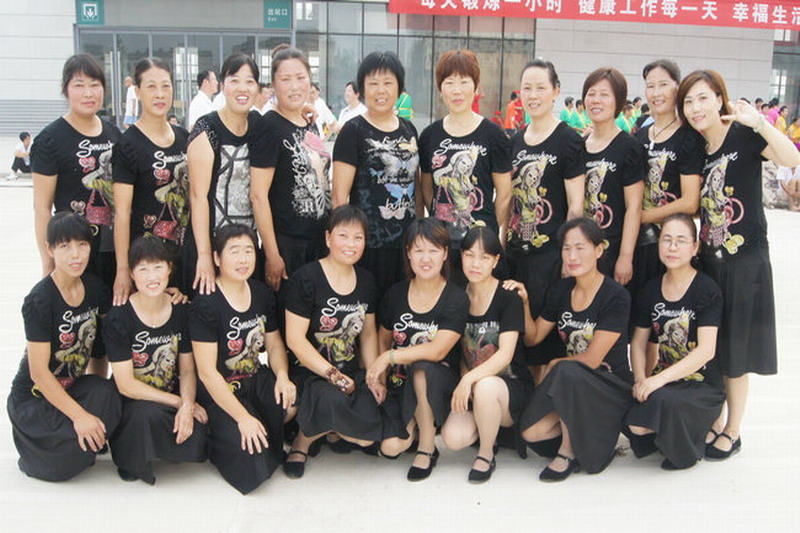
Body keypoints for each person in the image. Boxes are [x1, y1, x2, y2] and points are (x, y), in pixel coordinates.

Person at [678, 70, 800, 459]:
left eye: (703, 98)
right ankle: (715, 421)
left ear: (720, 98)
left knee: (736, 349)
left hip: (745, 260)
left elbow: (792, 158)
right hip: (709, 262)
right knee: (711, 346)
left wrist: (760, 123)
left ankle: (732, 429)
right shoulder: (698, 149)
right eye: (689, 101)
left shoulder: (744, 135)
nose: (695, 108)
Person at [510, 217, 632, 482]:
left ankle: (567, 452)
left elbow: (593, 359)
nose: (572, 256)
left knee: (566, 369)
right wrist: (525, 303)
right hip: (570, 382)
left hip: (608, 383)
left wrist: (557, 364)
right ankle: (590, 437)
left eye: (580, 247)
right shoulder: (562, 290)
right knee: (531, 432)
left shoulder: (615, 296)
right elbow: (533, 338)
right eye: (566, 248)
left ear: (598, 250)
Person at [7, 212, 121, 481]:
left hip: (71, 388)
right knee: (64, 468)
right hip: (35, 398)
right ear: (50, 249)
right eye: (65, 246)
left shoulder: (95, 289)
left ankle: (76, 441)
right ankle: (44, 451)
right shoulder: (39, 300)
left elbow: (99, 348)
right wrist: (81, 416)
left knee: (107, 393)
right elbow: (38, 373)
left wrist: (97, 406)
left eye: (82, 245)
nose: (75, 254)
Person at [189, 224, 294, 495]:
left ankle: (257, 422)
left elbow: (274, 345)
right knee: (252, 464)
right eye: (234, 251)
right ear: (217, 258)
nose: (243, 259)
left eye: (248, 251)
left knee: (294, 401)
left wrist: (282, 376)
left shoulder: (261, 293)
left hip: (253, 379)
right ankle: (216, 438)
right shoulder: (205, 304)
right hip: (219, 391)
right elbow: (207, 373)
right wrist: (242, 418)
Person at [283, 206, 382, 478]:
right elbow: (294, 340)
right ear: (328, 238)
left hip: (349, 369)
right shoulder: (306, 278)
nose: (351, 244)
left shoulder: (366, 280)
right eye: (343, 236)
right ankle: (302, 443)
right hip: (311, 371)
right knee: (331, 397)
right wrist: (333, 375)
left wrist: (373, 376)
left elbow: (368, 334)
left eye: (358, 238)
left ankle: (333, 430)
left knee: (369, 436)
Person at [366, 218, 468, 481]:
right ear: (408, 253)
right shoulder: (396, 293)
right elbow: (383, 339)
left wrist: (390, 357)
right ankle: (414, 425)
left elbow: (437, 351)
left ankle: (426, 447)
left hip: (438, 382)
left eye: (433, 250)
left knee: (422, 370)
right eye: (419, 250)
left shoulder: (456, 297)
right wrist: (381, 377)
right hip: (400, 383)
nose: (426, 258)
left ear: (445, 254)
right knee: (391, 448)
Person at [105, 236, 207, 484]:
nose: (152, 277)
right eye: (143, 269)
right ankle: (134, 454)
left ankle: (166, 443)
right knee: (145, 415)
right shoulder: (119, 318)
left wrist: (188, 404)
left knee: (203, 425)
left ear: (169, 269)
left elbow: (187, 370)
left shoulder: (181, 310)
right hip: (133, 402)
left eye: (158, 267)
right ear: (131, 274)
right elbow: (126, 385)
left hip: (168, 395)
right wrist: (181, 403)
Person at [626, 213, 724, 470]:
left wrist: (657, 381)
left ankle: (690, 441)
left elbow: (706, 350)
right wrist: (640, 379)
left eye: (681, 241)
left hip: (701, 385)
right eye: (666, 240)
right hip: (665, 382)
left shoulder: (707, 289)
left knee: (662, 403)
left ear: (695, 247)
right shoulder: (650, 289)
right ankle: (672, 432)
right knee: (631, 418)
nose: (672, 247)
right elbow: (638, 343)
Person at [507, 59, 585, 383]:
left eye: (541, 87)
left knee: (544, 340)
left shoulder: (569, 140)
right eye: (527, 88)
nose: (533, 95)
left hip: (549, 256)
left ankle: (542, 402)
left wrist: (570, 254)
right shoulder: (514, 140)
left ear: (555, 92)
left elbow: (576, 205)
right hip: (515, 254)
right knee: (517, 334)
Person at [440, 227, 533, 483]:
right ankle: (487, 428)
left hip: (509, 387)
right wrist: (465, 377)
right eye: (469, 255)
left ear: (496, 260)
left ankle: (486, 453)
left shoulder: (508, 297)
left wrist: (469, 380)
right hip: (473, 386)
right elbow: (459, 349)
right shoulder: (456, 296)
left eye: (484, 257)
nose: (475, 264)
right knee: (453, 438)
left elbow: (505, 355)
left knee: (487, 386)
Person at [419, 50, 512, 283]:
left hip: (480, 249)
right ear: (440, 89)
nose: (457, 90)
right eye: (449, 82)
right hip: (442, 247)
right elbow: (427, 188)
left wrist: (488, 230)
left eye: (464, 82)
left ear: (476, 87)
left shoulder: (493, 135)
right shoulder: (430, 135)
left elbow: (504, 194)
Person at [332, 51, 421, 296]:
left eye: (388, 83)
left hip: (405, 246)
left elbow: (415, 185)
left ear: (399, 88)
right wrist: (345, 247)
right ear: (362, 89)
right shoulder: (353, 131)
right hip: (367, 246)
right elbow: (339, 197)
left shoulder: (409, 129)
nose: (381, 90)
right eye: (373, 83)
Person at [31, 54, 121, 286]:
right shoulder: (50, 140)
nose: (88, 93)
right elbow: (42, 207)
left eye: (95, 85)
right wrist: (48, 263)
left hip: (114, 248)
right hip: (74, 252)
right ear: (65, 90)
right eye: (79, 85)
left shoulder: (114, 133)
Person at [250, 46, 331, 295]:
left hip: (319, 243)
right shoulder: (268, 126)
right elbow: (258, 195)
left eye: (300, 77)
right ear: (273, 85)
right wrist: (272, 254)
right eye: (285, 79)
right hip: (289, 248)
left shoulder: (309, 122)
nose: (294, 86)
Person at [630, 59, 705, 324]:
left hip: (670, 246)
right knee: (636, 318)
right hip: (636, 244)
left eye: (663, 84)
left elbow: (690, 202)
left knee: (662, 318)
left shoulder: (689, 138)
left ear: (677, 87)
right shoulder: (639, 137)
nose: (656, 92)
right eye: (650, 86)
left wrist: (642, 216)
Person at [112, 57, 191, 305]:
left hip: (184, 254)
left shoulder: (184, 137)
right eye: (151, 87)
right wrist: (123, 269)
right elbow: (122, 212)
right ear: (137, 92)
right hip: (149, 262)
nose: (160, 94)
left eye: (165, 86)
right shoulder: (128, 145)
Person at [187, 54, 260, 296]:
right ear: (222, 85)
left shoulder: (259, 125)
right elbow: (198, 197)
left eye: (249, 81)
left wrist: (306, 111)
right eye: (234, 80)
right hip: (212, 246)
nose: (242, 88)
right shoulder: (207, 129)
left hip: (247, 250)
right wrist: (205, 255)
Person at [582, 67, 644, 285]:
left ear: (618, 101)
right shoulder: (578, 146)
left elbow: (634, 207)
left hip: (612, 250)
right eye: (591, 94)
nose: (596, 100)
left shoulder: (629, 147)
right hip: (581, 251)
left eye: (604, 94)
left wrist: (625, 257)